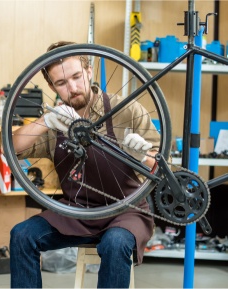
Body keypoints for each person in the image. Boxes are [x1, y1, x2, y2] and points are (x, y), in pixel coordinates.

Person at [9, 41, 160, 288]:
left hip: (126, 212)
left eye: (77, 76)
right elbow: (10, 148)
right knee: (22, 235)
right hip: (75, 212)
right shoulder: (56, 121)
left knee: (115, 243)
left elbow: (164, 167)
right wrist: (46, 120)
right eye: (61, 83)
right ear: (51, 86)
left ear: (89, 70)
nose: (73, 88)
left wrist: (141, 157)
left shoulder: (127, 110)